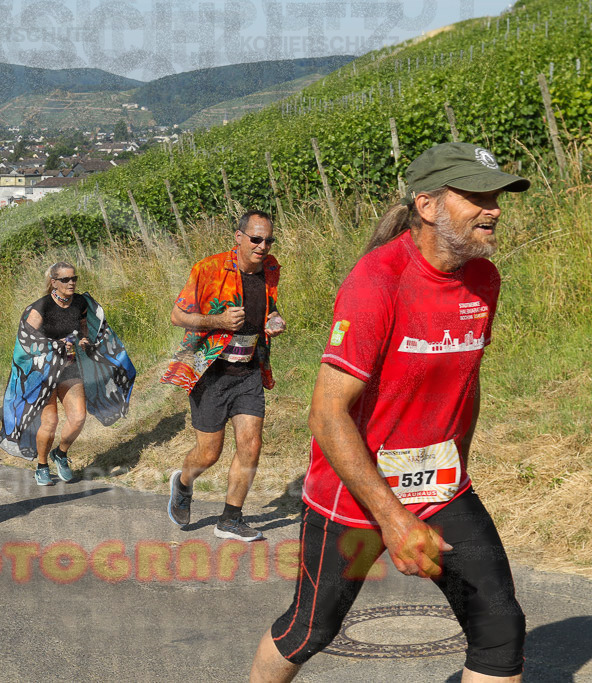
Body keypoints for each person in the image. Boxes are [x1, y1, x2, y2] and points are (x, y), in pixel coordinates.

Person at [248, 143, 531, 683]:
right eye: (476, 197)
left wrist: (458, 468)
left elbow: (465, 382)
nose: (493, 208)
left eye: (496, 196)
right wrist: (393, 518)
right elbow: (326, 414)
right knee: (310, 629)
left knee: (500, 629)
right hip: (354, 493)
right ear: (427, 206)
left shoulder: (483, 280)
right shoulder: (376, 281)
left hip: (440, 485)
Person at [163, 210, 285, 541]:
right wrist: (218, 321)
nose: (262, 247)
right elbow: (178, 316)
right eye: (256, 239)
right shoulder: (209, 269)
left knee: (251, 444)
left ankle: (230, 519)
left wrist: (273, 320)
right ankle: (183, 483)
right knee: (209, 452)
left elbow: (269, 306)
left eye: (268, 241)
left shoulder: (271, 268)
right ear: (239, 237)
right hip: (210, 372)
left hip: (248, 371)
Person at [0, 262, 136, 485]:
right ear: (54, 282)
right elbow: (27, 341)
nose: (71, 283)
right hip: (43, 372)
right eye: (65, 279)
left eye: (74, 278)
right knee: (50, 422)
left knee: (78, 417)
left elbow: (83, 325)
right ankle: (42, 466)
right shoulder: (41, 307)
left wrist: (83, 339)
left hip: (69, 367)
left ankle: (60, 454)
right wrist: (55, 344)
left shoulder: (80, 302)